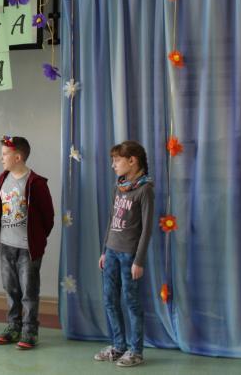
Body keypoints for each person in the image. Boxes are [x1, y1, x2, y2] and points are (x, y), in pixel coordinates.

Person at [94, 140, 154, 367]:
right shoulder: (119, 187)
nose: (113, 165)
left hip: (129, 256)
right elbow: (112, 220)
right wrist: (104, 251)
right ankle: (118, 346)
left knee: (131, 302)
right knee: (110, 300)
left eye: (117, 160)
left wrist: (139, 260)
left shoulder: (145, 189)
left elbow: (147, 229)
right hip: (111, 252)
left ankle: (135, 351)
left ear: (132, 161)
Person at [0, 136, 54, 350]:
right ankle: (13, 326)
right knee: (10, 288)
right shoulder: (3, 178)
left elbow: (48, 217)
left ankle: (29, 330)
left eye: (4, 154)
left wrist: (35, 239)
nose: (1, 158)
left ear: (17, 157)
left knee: (29, 290)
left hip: (27, 248)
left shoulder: (36, 183)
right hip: (6, 245)